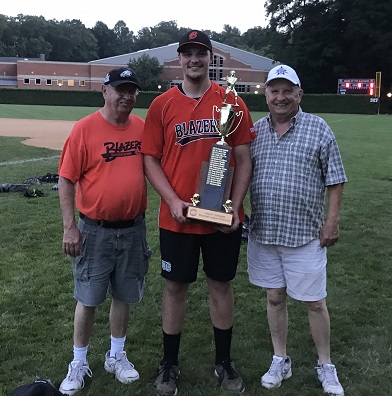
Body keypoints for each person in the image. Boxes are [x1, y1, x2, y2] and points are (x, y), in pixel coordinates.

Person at [141, 30, 255, 395]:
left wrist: (234, 208)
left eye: (200, 53)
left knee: (221, 285)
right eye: (188, 53)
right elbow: (150, 159)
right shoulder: (162, 104)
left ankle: (224, 361)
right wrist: (173, 201)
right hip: (177, 218)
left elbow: (242, 158)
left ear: (211, 58)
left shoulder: (231, 101)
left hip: (220, 218)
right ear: (179, 58)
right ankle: (169, 364)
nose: (194, 59)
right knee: (174, 288)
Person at [247, 64, 347, 395]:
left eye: (287, 90)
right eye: (274, 90)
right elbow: (236, 174)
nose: (280, 97)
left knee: (315, 302)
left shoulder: (319, 129)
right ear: (266, 95)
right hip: (264, 232)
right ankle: (280, 359)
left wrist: (331, 222)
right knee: (274, 297)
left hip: (305, 235)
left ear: (299, 94)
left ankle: (325, 365)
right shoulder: (253, 131)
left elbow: (335, 179)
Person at [57, 67, 150, 395]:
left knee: (124, 296)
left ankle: (116, 355)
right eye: (120, 89)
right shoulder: (85, 129)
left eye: (132, 90)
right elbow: (66, 179)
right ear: (105, 91)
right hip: (94, 231)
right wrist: (70, 227)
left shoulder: (141, 127)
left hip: (133, 229)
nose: (127, 96)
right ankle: (79, 362)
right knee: (88, 298)